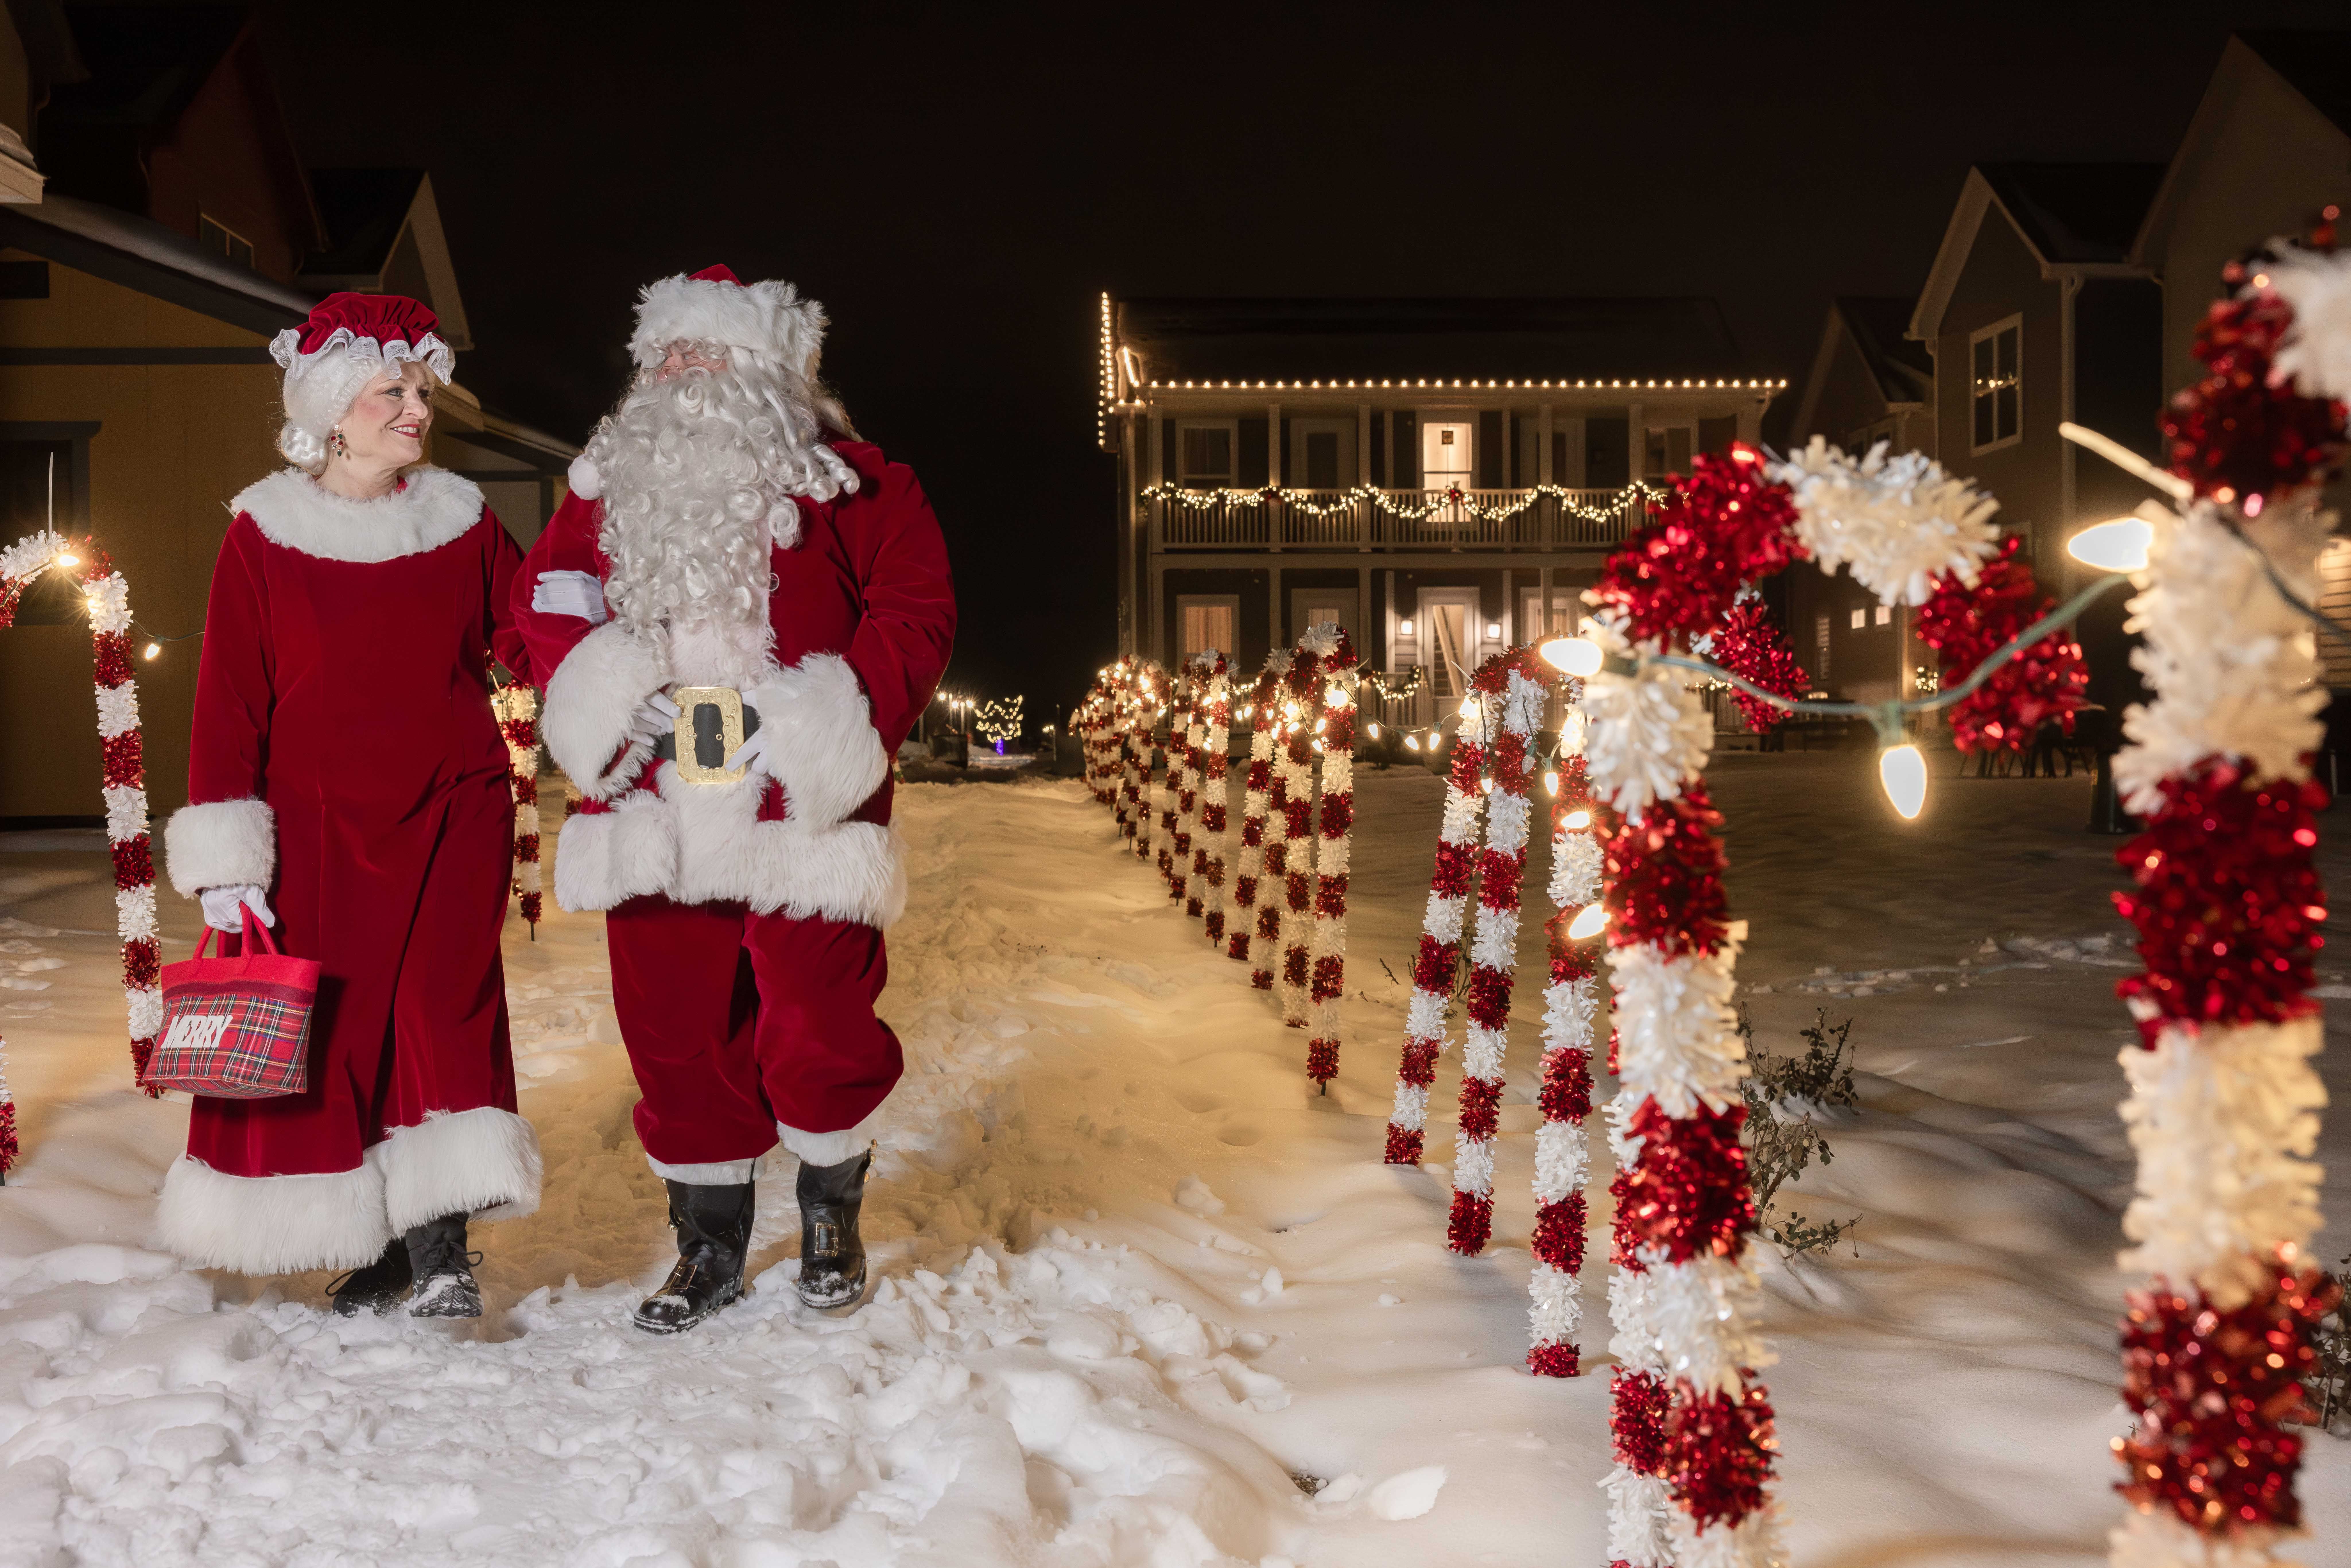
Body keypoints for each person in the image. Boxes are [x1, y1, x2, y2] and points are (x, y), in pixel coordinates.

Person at [513, 265, 953, 1332]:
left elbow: (915, 612)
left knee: (817, 1016)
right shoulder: (598, 493)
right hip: (654, 793)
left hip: (794, 804)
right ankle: (707, 1245)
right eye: (668, 353)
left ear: (773, 371)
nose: (684, 371)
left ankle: (830, 1212)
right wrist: (605, 694)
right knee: (674, 1027)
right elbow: (550, 605)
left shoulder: (861, 485)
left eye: (708, 352)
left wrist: (825, 718)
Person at [159, 293, 541, 1318]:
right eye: (393, 391)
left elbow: (528, 634)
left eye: (422, 389)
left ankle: (443, 1247)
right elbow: (229, 705)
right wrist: (229, 855)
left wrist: (600, 652)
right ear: (334, 409)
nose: (419, 406)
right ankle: (377, 1244)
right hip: (316, 828)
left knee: (442, 1012)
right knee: (344, 1029)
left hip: (455, 806)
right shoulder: (264, 535)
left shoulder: (461, 517)